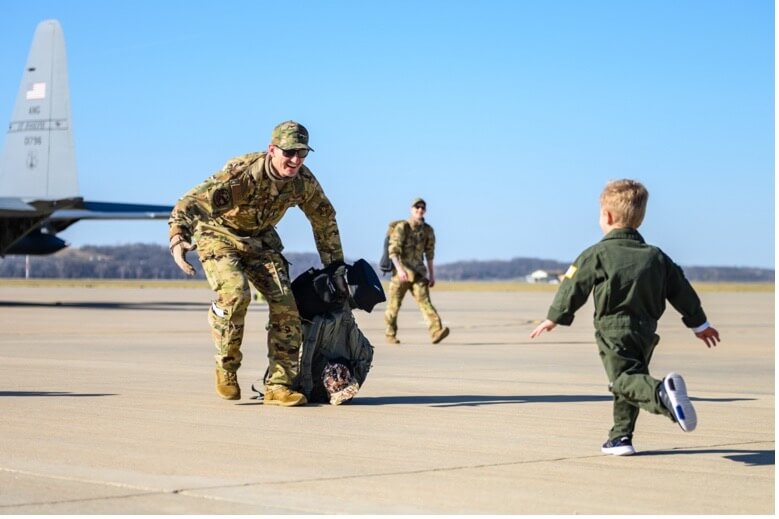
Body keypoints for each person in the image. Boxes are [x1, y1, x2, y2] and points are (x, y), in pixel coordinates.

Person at [529, 179, 720, 456]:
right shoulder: (656, 257)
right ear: (639, 219)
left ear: (606, 216)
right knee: (632, 379)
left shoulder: (597, 253)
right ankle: (620, 437)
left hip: (612, 328)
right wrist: (699, 324)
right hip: (646, 330)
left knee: (621, 380)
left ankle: (661, 394)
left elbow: (573, 285)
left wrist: (555, 317)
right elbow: (682, 290)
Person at [168, 120, 344, 407]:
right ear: (272, 149)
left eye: (302, 153)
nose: (295, 160)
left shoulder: (303, 181)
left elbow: (324, 219)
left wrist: (334, 266)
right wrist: (177, 239)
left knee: (287, 308)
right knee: (236, 294)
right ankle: (226, 367)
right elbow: (190, 202)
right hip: (219, 234)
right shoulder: (242, 173)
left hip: (260, 240)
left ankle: (278, 385)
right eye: (289, 152)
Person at [384, 198, 449, 344]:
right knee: (393, 306)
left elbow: (430, 254)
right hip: (401, 273)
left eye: (422, 208)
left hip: (418, 273)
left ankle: (436, 332)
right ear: (411, 209)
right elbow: (393, 251)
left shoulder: (427, 230)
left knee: (425, 302)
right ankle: (390, 334)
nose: (419, 210)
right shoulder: (403, 227)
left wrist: (432, 275)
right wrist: (400, 270)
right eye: (416, 207)